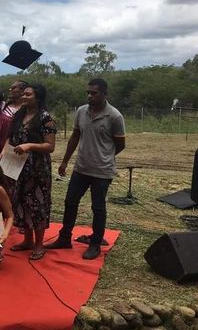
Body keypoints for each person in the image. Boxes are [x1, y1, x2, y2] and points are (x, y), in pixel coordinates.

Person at [45, 78, 126, 260]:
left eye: (94, 93)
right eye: (88, 92)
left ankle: (95, 243)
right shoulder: (81, 111)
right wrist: (65, 161)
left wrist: (104, 156)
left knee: (98, 207)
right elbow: (75, 137)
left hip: (102, 171)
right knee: (70, 202)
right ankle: (64, 238)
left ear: (104, 94)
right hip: (81, 168)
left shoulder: (114, 116)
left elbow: (120, 144)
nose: (90, 96)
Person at [7, 84, 56, 260]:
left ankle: (38, 244)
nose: (24, 96)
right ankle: (27, 240)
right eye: (24, 94)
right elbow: (11, 138)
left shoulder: (45, 118)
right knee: (21, 202)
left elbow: (50, 146)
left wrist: (30, 146)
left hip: (37, 169)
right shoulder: (19, 115)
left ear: (38, 97)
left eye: (28, 94)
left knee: (37, 204)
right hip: (18, 167)